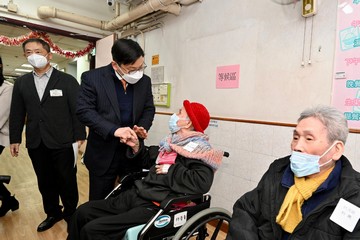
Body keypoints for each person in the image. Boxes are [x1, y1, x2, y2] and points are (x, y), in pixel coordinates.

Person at [67, 99, 224, 240]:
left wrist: (170, 169)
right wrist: (136, 146)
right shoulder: (170, 143)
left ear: (188, 123)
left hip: (157, 206)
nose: (174, 115)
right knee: (82, 213)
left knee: (93, 231)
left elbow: (202, 181)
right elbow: (149, 159)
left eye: (179, 112)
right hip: (137, 194)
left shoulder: (199, 150)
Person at [226, 105, 360, 239]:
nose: (297, 146)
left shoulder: (353, 194)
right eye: (296, 137)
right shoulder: (278, 170)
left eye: (308, 139)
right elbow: (246, 210)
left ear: (336, 150)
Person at [9, 38, 86, 232]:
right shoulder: (21, 83)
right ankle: (52, 212)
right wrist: (15, 139)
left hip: (63, 140)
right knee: (45, 181)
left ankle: (70, 213)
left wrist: (80, 137)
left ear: (49, 55)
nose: (33, 55)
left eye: (38, 51)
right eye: (28, 52)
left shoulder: (67, 81)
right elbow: (17, 112)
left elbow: (77, 110)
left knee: (67, 179)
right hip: (36, 141)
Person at [76, 38, 155, 200]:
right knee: (99, 202)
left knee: (129, 199)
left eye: (141, 67)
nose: (138, 72)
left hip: (131, 153)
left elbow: (149, 108)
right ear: (115, 65)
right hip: (103, 154)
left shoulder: (144, 81)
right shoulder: (92, 78)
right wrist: (115, 130)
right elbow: (84, 111)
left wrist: (142, 127)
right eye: (132, 69)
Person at [0, 56, 19, 217]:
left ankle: (8, 200)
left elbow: (1, 116)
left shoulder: (7, 88)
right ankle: (8, 200)